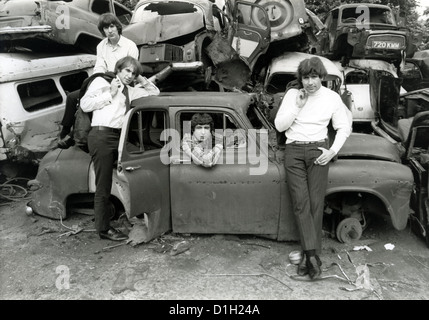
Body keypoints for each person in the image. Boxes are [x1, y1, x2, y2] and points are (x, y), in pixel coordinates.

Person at [274, 57, 351, 279]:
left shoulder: (332, 98)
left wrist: (332, 151)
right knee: (301, 204)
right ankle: (312, 258)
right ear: (301, 79)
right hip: (294, 151)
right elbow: (280, 125)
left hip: (319, 152)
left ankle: (309, 258)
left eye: (314, 77)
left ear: (322, 77)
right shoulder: (292, 95)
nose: (310, 82)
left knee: (316, 205)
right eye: (306, 77)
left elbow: (343, 127)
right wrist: (297, 106)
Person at [80, 56, 160, 241]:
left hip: (119, 137)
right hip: (101, 135)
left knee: (141, 163)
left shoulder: (130, 90)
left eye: (133, 73)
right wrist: (111, 93)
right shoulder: (102, 81)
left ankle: (140, 211)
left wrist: (140, 78)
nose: (130, 75)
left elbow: (154, 92)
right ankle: (103, 229)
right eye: (127, 71)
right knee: (103, 184)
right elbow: (85, 104)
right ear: (118, 69)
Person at [57, 12, 148, 148]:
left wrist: (115, 83)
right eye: (105, 28)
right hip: (104, 80)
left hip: (122, 82)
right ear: (102, 31)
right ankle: (66, 132)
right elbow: (99, 68)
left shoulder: (130, 46)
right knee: (72, 97)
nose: (109, 31)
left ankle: (76, 136)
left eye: (112, 26)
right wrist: (94, 85)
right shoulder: (101, 46)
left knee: (92, 104)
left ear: (118, 27)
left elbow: (132, 71)